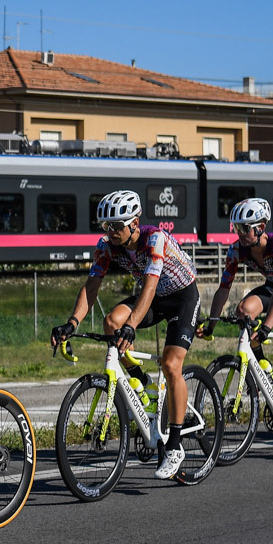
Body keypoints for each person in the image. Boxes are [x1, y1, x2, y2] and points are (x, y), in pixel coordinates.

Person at [49, 190, 200, 480]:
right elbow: (92, 284)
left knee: (170, 365)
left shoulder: (154, 239)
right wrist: (72, 323)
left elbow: (151, 285)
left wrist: (132, 325)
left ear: (135, 222)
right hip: (153, 298)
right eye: (106, 226)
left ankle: (176, 446)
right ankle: (140, 380)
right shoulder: (107, 246)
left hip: (182, 296)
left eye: (117, 226)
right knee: (111, 322)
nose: (111, 232)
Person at [199, 197, 273, 444]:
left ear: (261, 227)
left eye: (245, 228)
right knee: (243, 310)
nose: (240, 233)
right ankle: (264, 366)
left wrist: (266, 328)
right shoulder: (236, 250)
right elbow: (224, 289)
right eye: (236, 228)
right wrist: (211, 323)